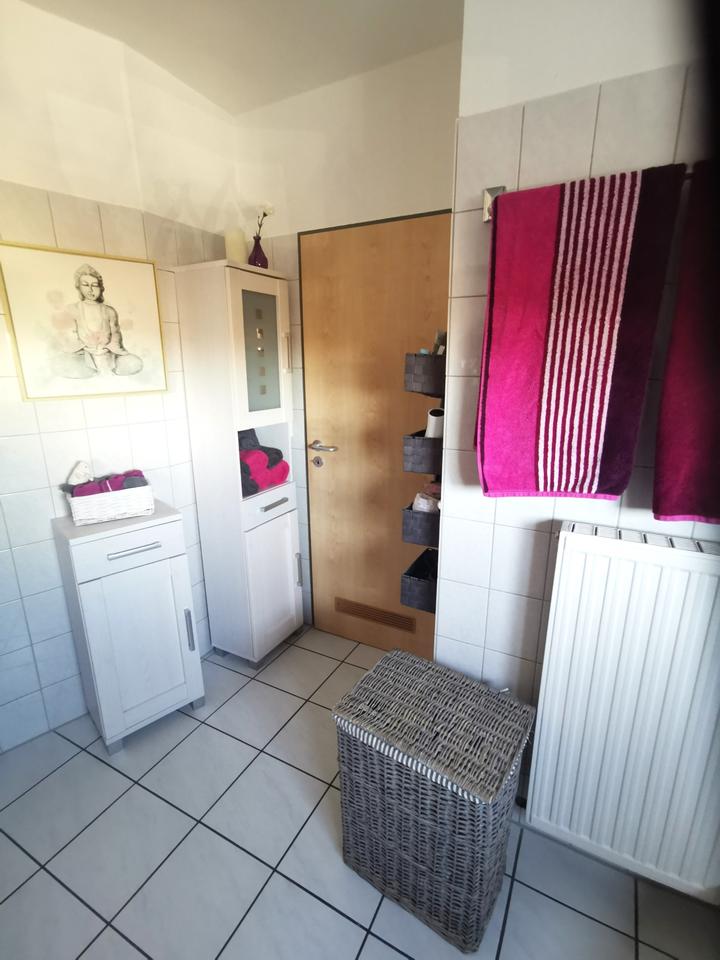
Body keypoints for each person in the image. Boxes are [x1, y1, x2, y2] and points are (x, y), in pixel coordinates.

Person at [54, 264, 143, 378]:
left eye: (95, 285)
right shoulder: (72, 309)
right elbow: (71, 337)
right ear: (79, 287)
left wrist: (105, 348)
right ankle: (89, 369)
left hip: (107, 352)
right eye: (85, 285)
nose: (90, 290)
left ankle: (106, 367)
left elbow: (115, 336)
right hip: (84, 354)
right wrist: (89, 346)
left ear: (100, 288)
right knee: (60, 363)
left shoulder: (109, 311)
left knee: (135, 363)